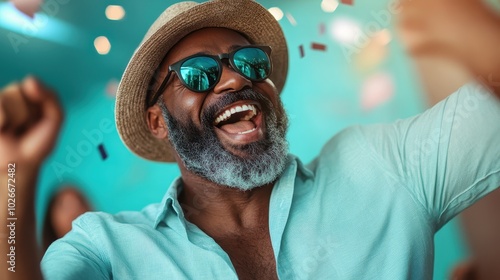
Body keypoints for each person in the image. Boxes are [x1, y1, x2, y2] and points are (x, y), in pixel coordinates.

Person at [0, 0, 499, 279]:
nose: (235, 80)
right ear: (157, 121)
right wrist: (11, 175)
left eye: (249, 62)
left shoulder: (379, 165)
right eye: (197, 73)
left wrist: (467, 25)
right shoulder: (107, 247)